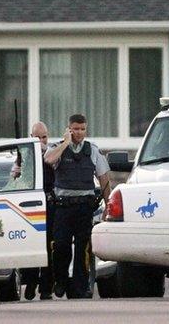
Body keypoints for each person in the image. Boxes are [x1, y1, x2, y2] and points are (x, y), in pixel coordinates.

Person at [44, 114, 110, 299]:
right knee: (61, 246)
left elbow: (104, 179)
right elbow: (48, 160)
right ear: (69, 129)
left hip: (84, 207)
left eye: (82, 129)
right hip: (63, 208)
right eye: (75, 129)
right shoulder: (57, 147)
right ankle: (61, 280)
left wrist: (108, 206)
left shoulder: (92, 150)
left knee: (83, 249)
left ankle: (81, 287)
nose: (79, 133)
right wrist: (65, 143)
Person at [22, 122, 56, 300]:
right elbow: (16, 176)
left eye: (44, 137)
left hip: (49, 204)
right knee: (32, 244)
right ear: (31, 137)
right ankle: (31, 282)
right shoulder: (24, 155)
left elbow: (52, 161)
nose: (42, 141)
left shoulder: (52, 153)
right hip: (30, 206)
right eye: (37, 138)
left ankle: (46, 288)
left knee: (49, 247)